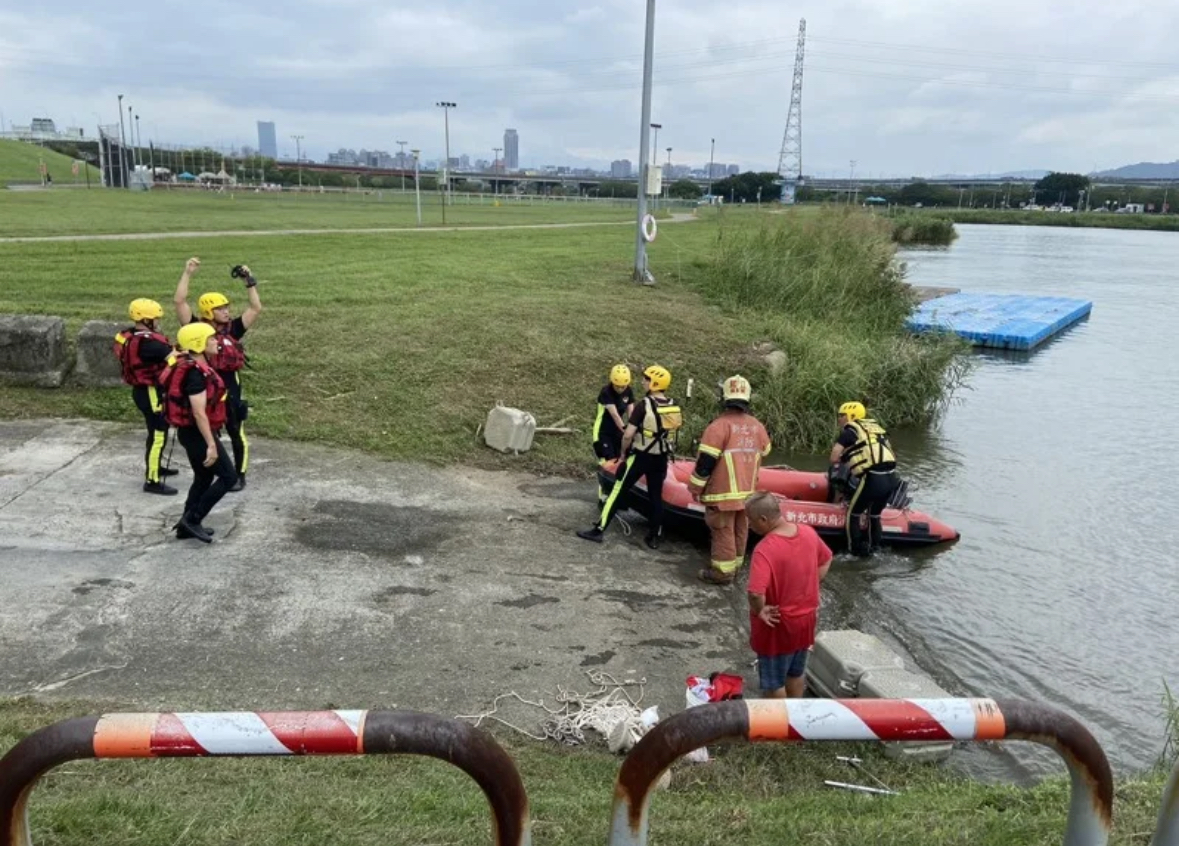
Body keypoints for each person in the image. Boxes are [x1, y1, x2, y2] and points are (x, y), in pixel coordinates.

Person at [174, 256, 262, 491]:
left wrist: (249, 281)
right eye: (220, 308)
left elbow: (255, 308)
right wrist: (187, 273)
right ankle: (214, 470)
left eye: (226, 307)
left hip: (230, 389)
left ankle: (239, 475)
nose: (226, 311)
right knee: (208, 432)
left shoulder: (233, 329)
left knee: (236, 431)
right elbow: (179, 302)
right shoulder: (196, 329)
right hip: (207, 390)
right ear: (208, 311)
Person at [577, 364, 681, 550]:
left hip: (640, 456)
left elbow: (628, 435)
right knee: (656, 497)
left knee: (617, 490)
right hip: (661, 459)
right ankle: (654, 537)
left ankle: (599, 530)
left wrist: (624, 454)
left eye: (646, 379)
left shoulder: (644, 405)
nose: (643, 381)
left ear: (654, 383)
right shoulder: (673, 405)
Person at [745, 491, 832, 698]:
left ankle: (780, 719)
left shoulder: (765, 549)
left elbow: (755, 592)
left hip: (778, 626)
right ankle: (796, 714)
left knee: (774, 684)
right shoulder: (808, 532)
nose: (749, 526)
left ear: (763, 519)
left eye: (751, 521)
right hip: (805, 621)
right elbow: (826, 559)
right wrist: (810, 585)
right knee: (795, 673)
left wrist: (760, 610)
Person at [689, 375, 772, 585]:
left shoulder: (718, 427)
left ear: (724, 398)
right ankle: (736, 565)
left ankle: (723, 573)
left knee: (723, 530)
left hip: (722, 493)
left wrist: (695, 487)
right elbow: (766, 450)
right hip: (747, 493)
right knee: (741, 528)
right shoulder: (757, 426)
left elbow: (705, 463)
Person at [160, 323, 238, 543]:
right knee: (228, 477)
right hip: (197, 434)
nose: (215, 341)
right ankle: (193, 519)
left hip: (191, 433)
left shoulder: (195, 365)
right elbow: (198, 412)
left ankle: (185, 526)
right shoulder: (195, 374)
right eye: (210, 338)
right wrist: (211, 444)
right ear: (198, 344)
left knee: (204, 476)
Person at [114, 298, 179, 496]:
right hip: (151, 393)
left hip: (142, 392)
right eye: (155, 318)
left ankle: (155, 466)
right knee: (159, 434)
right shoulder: (150, 345)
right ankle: (152, 480)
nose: (158, 321)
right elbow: (175, 359)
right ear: (146, 320)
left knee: (155, 433)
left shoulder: (130, 336)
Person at [829, 401, 900, 557]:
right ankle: (874, 550)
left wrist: (845, 459)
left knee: (853, 514)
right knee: (874, 515)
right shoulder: (877, 431)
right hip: (891, 478)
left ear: (851, 416)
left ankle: (853, 551)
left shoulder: (850, 432)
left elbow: (833, 457)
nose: (839, 418)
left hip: (873, 479)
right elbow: (892, 455)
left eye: (841, 415)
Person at [592, 364, 635, 504]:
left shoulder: (628, 391)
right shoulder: (606, 392)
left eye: (623, 386)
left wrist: (634, 427)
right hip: (603, 432)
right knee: (607, 462)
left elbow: (631, 412)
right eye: (617, 386)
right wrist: (626, 430)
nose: (620, 389)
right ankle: (603, 496)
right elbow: (615, 415)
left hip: (617, 432)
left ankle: (616, 496)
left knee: (619, 461)